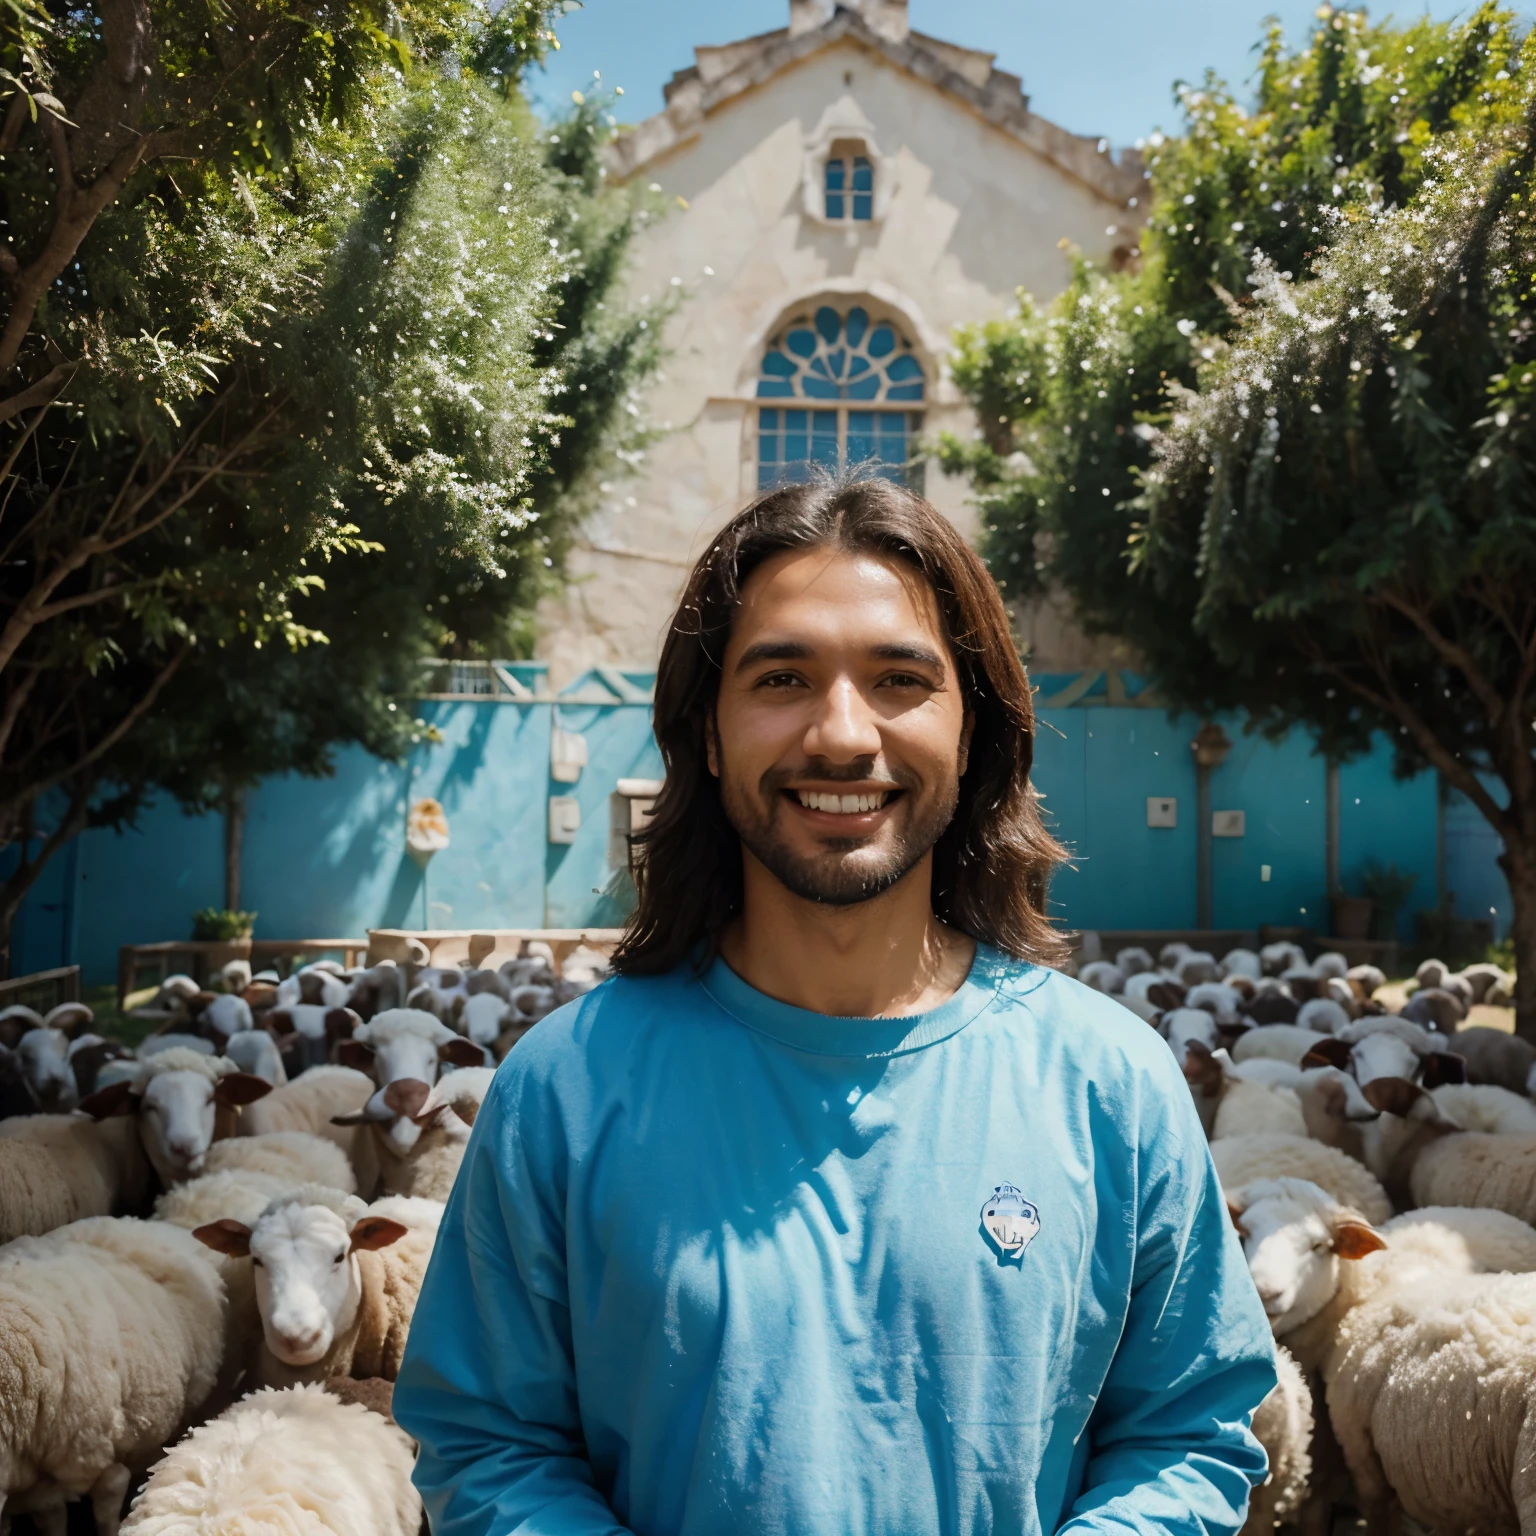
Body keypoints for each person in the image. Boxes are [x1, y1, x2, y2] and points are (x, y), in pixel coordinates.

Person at [394, 476, 1277, 1536]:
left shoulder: (1112, 1086)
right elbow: (492, 1446)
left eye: (900, 678)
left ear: (974, 728)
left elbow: (1187, 1433)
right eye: (783, 678)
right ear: (709, 734)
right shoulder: (563, 1092)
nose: (842, 735)